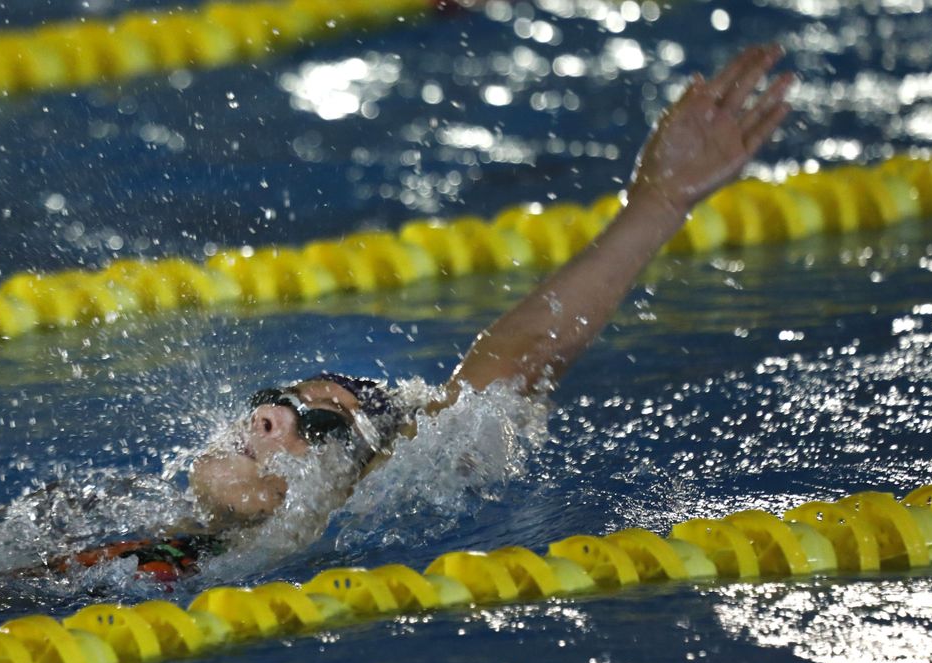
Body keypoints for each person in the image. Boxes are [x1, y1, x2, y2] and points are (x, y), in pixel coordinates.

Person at [54, 44, 795, 582]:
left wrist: (659, 203)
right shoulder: (107, 515)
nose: (271, 418)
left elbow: (523, 357)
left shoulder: (361, 519)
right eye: (274, 401)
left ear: (364, 479)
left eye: (318, 421)